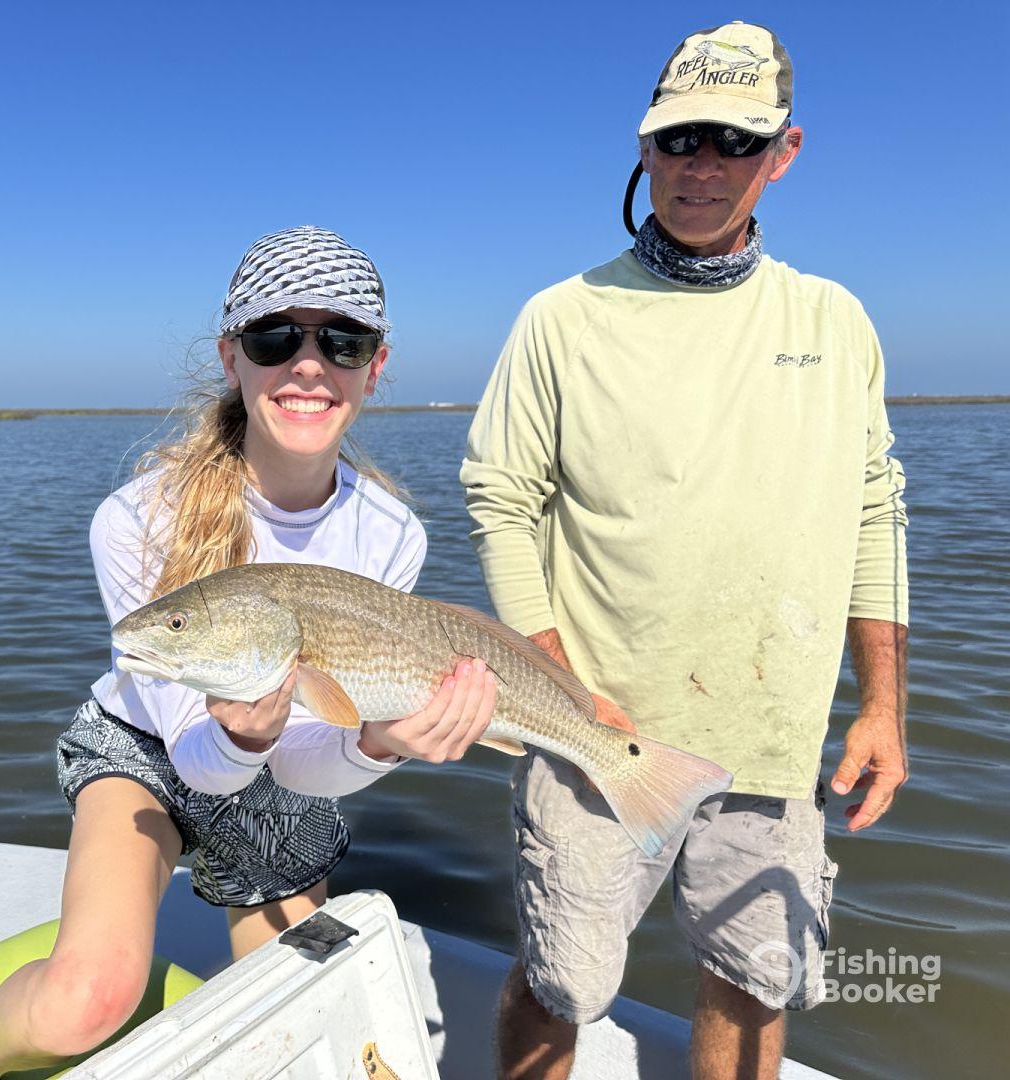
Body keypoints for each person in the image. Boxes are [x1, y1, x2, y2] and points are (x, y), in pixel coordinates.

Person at [0, 226, 497, 1079]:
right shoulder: (135, 518)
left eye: (342, 341)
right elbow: (198, 758)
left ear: (376, 366)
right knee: (86, 1000)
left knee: (298, 1007)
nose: (310, 365)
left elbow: (309, 765)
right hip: (146, 748)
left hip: (299, 748)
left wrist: (381, 742)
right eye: (277, 338)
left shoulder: (392, 533)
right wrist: (242, 737)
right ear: (233, 357)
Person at [461, 22, 908, 1080]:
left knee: (754, 978)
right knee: (564, 979)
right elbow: (499, 499)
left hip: (774, 733)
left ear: (782, 153)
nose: (702, 166)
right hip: (596, 730)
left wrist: (883, 702)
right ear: (645, 147)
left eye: (732, 141)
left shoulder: (836, 322)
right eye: (679, 139)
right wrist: (561, 690)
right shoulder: (562, 319)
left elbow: (875, 511)